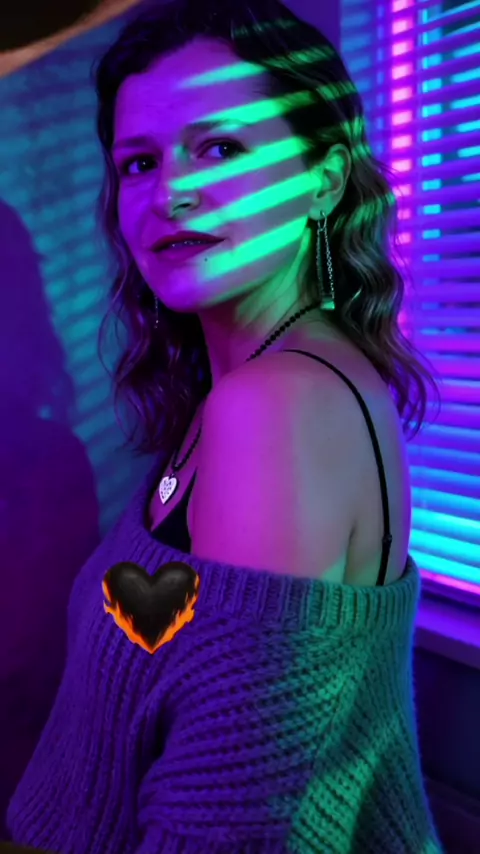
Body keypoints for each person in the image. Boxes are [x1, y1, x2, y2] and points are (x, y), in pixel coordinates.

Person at [7, 0, 444, 851]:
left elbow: (230, 828)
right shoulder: (262, 387)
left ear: (322, 180)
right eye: (139, 162)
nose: (169, 191)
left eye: (220, 147)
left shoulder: (275, 407)